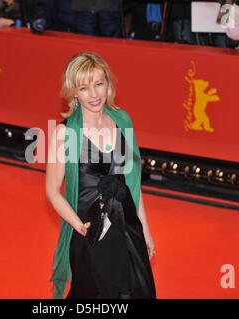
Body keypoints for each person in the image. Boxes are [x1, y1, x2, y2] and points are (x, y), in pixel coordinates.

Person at [46, 52, 156, 299]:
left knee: (138, 291)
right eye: (84, 88)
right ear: (74, 92)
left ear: (108, 83)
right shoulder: (66, 134)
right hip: (91, 231)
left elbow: (133, 184)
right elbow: (52, 191)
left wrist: (145, 230)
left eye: (99, 84)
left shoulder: (123, 120)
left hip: (127, 225)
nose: (94, 95)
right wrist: (79, 226)